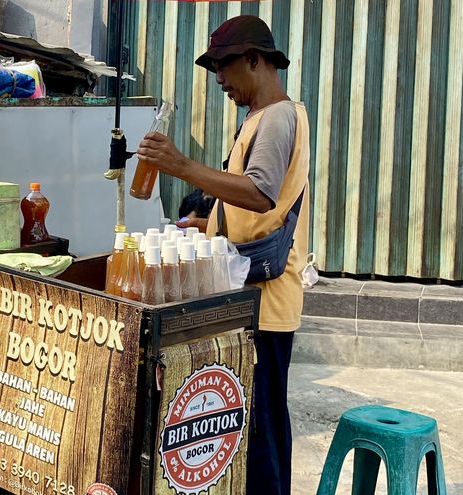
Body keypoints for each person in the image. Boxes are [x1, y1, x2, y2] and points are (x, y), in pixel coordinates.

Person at [137, 15, 310, 495]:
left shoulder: (277, 116)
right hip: (250, 292)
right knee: (252, 425)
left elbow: (259, 193)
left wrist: (182, 165)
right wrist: (209, 223)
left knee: (263, 433)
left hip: (267, 303)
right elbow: (246, 204)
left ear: (254, 60)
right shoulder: (260, 117)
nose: (218, 80)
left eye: (224, 67)